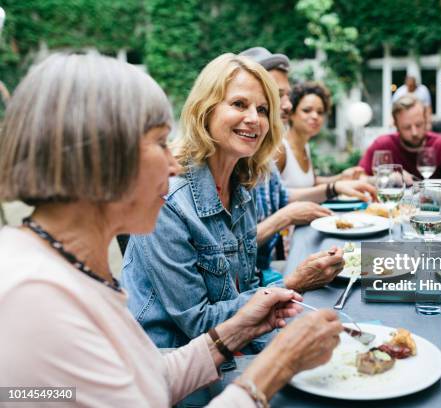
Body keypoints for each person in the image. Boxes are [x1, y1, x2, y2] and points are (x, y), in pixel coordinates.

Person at [0, 52, 342, 407]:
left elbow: (145, 376)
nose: (173, 163)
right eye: (160, 142)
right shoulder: (33, 294)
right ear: (101, 154)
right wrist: (271, 371)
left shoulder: (71, 268)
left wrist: (239, 330)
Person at [121, 54, 345, 352]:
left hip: (234, 345)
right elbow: (199, 324)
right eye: (239, 104)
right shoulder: (168, 200)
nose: (254, 118)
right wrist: (291, 284)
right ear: (205, 110)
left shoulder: (241, 188)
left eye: (263, 109)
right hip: (174, 366)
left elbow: (245, 288)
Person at [239, 47, 376, 283]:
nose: (287, 105)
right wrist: (286, 217)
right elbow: (230, 248)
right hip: (256, 278)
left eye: (286, 95)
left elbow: (283, 196)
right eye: (276, 94)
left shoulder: (262, 156)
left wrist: (336, 185)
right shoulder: (259, 154)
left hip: (262, 271)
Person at [276, 81, 366, 188]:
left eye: (320, 112)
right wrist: (335, 188)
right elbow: (273, 197)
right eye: (307, 110)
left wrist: (341, 177)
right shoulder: (280, 150)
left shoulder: (305, 146)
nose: (315, 116)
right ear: (291, 114)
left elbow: (311, 183)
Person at [359, 94, 441, 180]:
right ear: (396, 125)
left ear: (426, 120)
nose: (414, 132)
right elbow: (359, 177)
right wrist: (387, 178)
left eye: (418, 125)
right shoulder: (382, 145)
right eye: (407, 127)